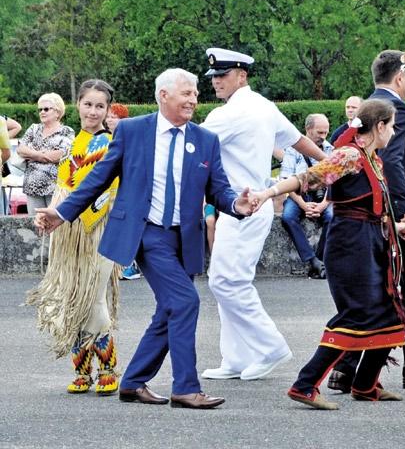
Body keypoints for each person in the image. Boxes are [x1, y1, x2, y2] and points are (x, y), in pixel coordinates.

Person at [34, 68, 255, 410]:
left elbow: (218, 188)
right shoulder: (134, 131)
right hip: (148, 235)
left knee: (169, 310)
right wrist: (61, 213)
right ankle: (186, 387)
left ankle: (133, 382)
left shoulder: (205, 139)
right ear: (163, 95)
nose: (194, 99)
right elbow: (98, 179)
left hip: (186, 237)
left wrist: (235, 204)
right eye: (186, 93)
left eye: (195, 94)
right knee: (186, 302)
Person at [253, 99, 405, 409]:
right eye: (391, 126)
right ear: (379, 126)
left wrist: (397, 224)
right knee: (355, 313)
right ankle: (304, 384)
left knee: (390, 311)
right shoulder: (350, 156)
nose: (393, 133)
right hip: (348, 245)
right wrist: (267, 194)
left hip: (370, 243)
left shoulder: (372, 159)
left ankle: (365, 384)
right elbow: (306, 179)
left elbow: (374, 208)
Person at [200, 48, 326, 382]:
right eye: (213, 77)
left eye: (222, 75)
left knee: (226, 282)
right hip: (246, 206)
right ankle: (236, 358)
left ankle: (270, 347)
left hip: (241, 205)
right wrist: (330, 163)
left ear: (241, 75)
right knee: (227, 281)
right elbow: (299, 141)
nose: (216, 82)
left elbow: (193, 147)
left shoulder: (227, 115)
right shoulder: (264, 107)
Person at [328, 50, 405, 393]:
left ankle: (345, 367)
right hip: (401, 216)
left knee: (384, 292)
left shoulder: (369, 105)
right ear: (400, 78)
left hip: (374, 215)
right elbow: (394, 164)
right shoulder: (396, 111)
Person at [26, 80, 119, 396]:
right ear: (78, 104)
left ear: (107, 110)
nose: (93, 111)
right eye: (88, 104)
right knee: (71, 296)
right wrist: (48, 215)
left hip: (100, 231)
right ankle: (83, 370)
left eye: (100, 106)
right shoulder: (71, 146)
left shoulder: (112, 145)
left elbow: (113, 190)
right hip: (67, 233)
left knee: (93, 296)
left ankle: (107, 368)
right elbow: (62, 188)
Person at [280, 113, 334, 279]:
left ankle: (319, 260)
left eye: (326, 132)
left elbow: (334, 181)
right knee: (287, 217)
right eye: (319, 132)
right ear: (308, 130)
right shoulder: (292, 150)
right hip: (298, 195)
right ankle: (313, 261)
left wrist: (323, 205)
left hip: (323, 195)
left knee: (332, 217)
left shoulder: (330, 149)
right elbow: (286, 181)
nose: (323, 137)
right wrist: (303, 204)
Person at [17, 93, 74, 215]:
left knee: (53, 228)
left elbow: (61, 155)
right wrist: (42, 155)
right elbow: (21, 149)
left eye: (46, 109)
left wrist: (32, 154)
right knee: (35, 226)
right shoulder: (34, 128)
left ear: (58, 112)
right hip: (32, 187)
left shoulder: (67, 131)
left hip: (54, 188)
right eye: (40, 109)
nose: (42, 112)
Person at [104, 102, 141, 281]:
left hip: (124, 189)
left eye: (114, 117)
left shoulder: (130, 138)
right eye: (109, 116)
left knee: (126, 229)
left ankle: (131, 265)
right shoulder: (104, 137)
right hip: (108, 190)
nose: (110, 120)